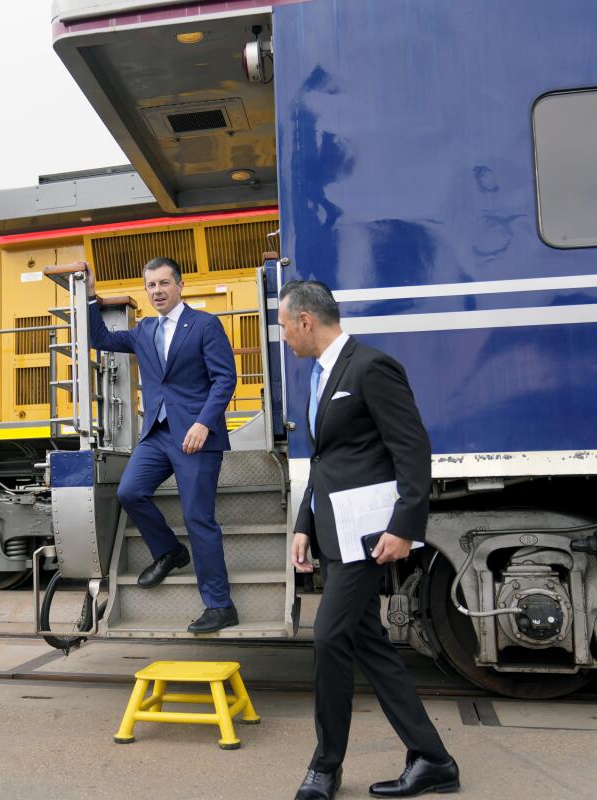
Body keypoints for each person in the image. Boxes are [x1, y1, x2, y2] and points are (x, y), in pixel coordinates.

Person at [278, 281, 459, 799]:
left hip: (368, 535)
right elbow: (326, 460)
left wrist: (405, 526)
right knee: (369, 645)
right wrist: (302, 525)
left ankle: (325, 768)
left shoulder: (369, 366)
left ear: (307, 321)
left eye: (286, 326)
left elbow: (413, 448)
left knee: (328, 637)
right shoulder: (321, 375)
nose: (285, 337)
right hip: (333, 531)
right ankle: (433, 759)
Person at [82, 257, 239, 633]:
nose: (157, 291)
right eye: (151, 285)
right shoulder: (145, 329)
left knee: (198, 518)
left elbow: (225, 379)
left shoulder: (205, 324)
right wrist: (89, 294)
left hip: (196, 436)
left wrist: (204, 422)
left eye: (164, 283)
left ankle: (220, 605)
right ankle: (169, 551)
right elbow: (100, 339)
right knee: (130, 491)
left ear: (180, 285)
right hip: (157, 434)